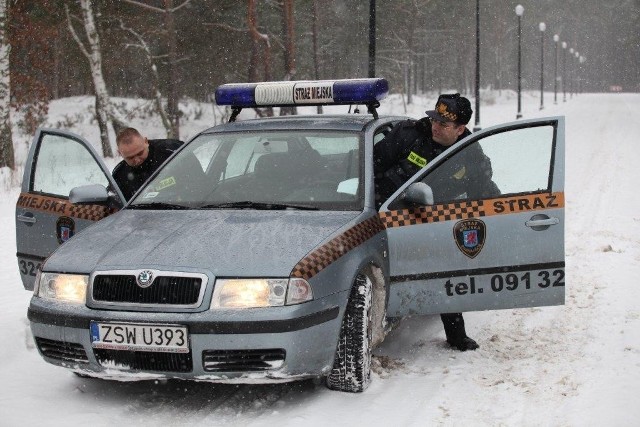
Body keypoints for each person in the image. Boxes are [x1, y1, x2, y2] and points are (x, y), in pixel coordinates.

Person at [374, 93, 499, 352]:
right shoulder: (407, 135)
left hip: (436, 221)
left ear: (460, 129)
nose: (435, 126)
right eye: (435, 119)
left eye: (444, 124)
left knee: (444, 273)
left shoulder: (469, 151)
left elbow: (483, 187)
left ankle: (456, 335)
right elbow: (371, 167)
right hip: (390, 216)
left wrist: (502, 214)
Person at [112, 128, 184, 201]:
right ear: (120, 153)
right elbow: (114, 202)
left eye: (140, 153)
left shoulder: (172, 152)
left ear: (146, 142)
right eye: (130, 158)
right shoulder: (119, 175)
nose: (137, 160)